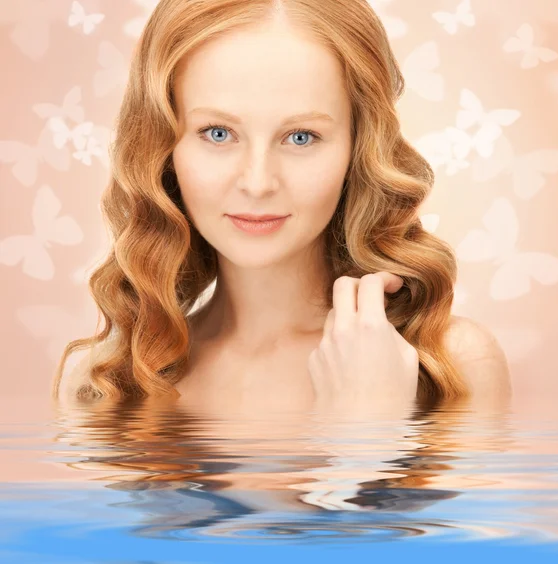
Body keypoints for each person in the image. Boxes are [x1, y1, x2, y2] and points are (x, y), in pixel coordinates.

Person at [52, 0, 512, 411]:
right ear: (163, 147)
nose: (257, 183)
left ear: (359, 147)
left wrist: (371, 428)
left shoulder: (452, 367)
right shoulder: (100, 382)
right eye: (217, 133)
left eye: (301, 137)